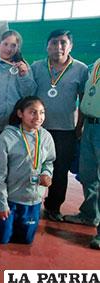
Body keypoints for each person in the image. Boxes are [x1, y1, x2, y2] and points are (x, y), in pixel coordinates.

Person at [31, 29, 89, 222]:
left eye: (63, 43)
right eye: (54, 43)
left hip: (65, 130)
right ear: (47, 46)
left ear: (70, 46)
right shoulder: (37, 67)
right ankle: (29, 204)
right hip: (38, 129)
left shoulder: (81, 69)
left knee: (60, 170)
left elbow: (83, 99)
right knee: (32, 167)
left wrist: (78, 127)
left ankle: (53, 207)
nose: (59, 47)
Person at [0, 96, 55, 244]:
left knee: (26, 240)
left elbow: (49, 162)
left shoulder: (46, 137)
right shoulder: (7, 137)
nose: (38, 117)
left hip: (33, 201)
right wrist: (2, 202)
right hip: (11, 200)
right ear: (20, 114)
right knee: (2, 239)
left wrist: (46, 174)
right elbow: (0, 173)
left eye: (42, 112)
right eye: (33, 112)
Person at [63, 58, 100, 248]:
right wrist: (80, 125)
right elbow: (87, 96)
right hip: (90, 126)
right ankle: (89, 215)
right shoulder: (95, 66)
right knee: (88, 175)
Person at [0, 30, 36, 132]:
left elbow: (29, 94)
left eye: (13, 45)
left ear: (18, 48)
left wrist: (24, 75)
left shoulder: (24, 67)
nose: (8, 49)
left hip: (15, 123)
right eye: (5, 44)